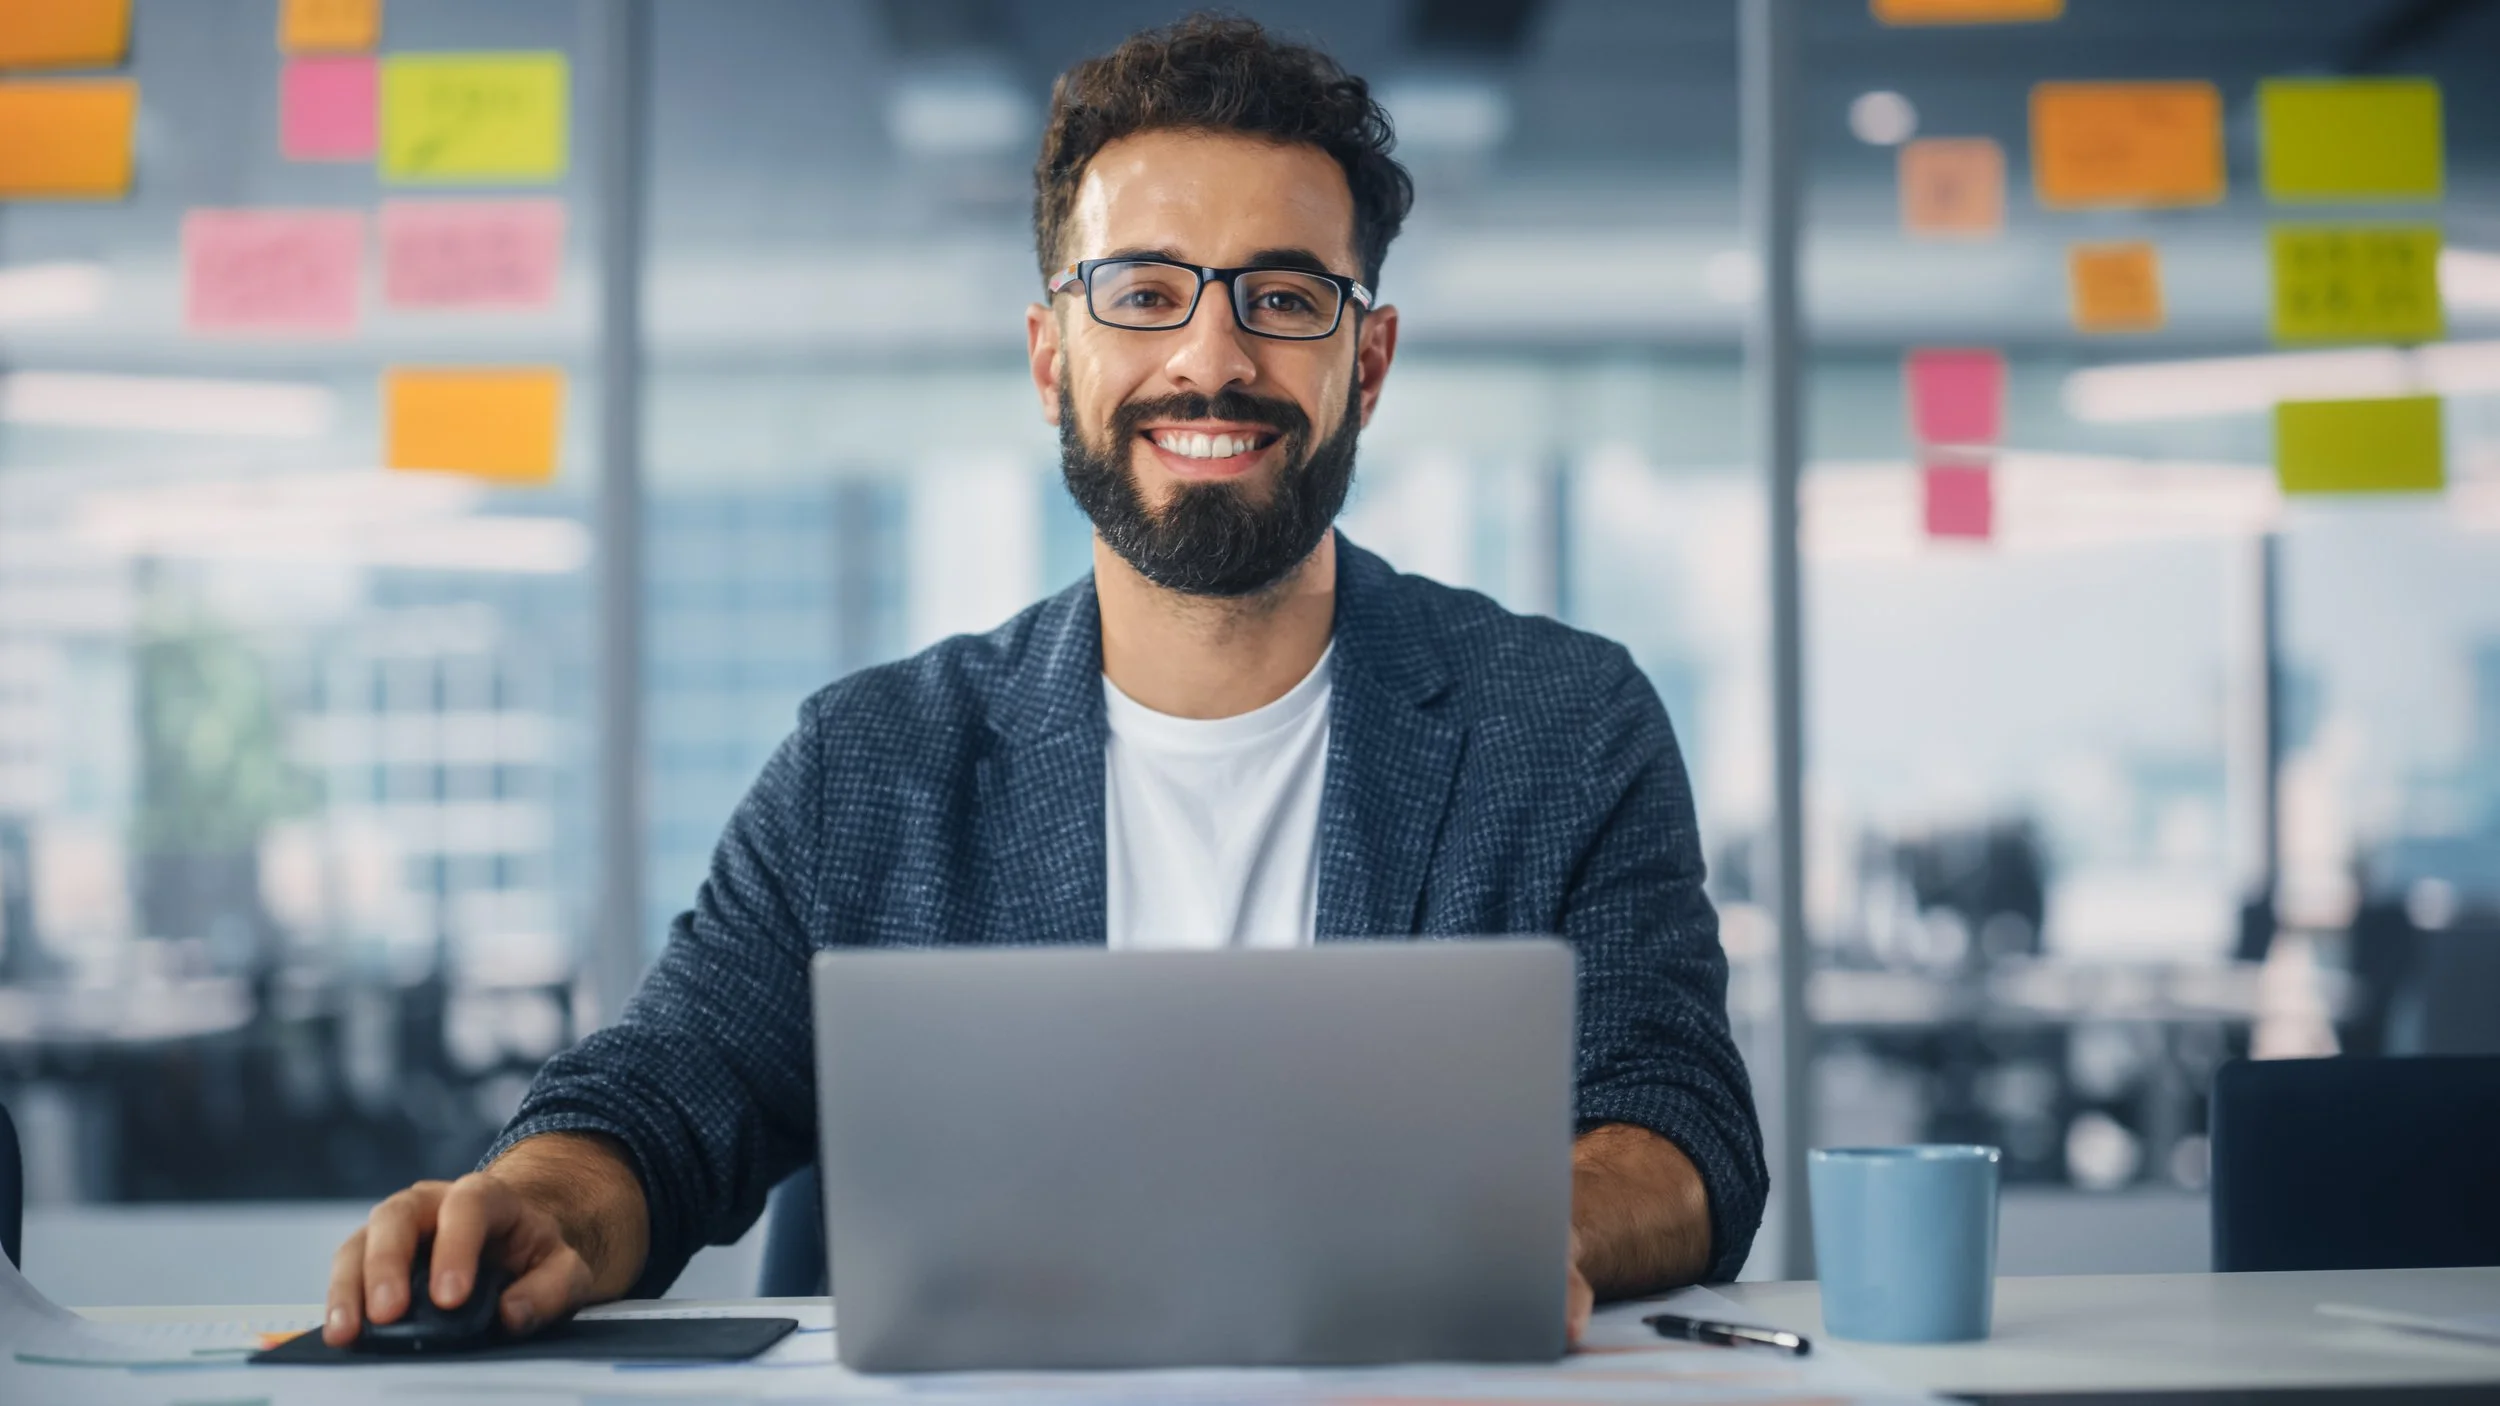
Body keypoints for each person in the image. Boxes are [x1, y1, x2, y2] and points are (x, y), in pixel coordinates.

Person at [323, 13, 1765, 1351]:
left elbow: (1681, 1118)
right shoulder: (871, 762)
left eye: (1281, 295)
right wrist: (549, 1201)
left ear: (1366, 361)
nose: (1212, 356)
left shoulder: (1565, 725)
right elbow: (671, 1085)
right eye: (1142, 293)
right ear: (1051, 352)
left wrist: (1527, 1226)